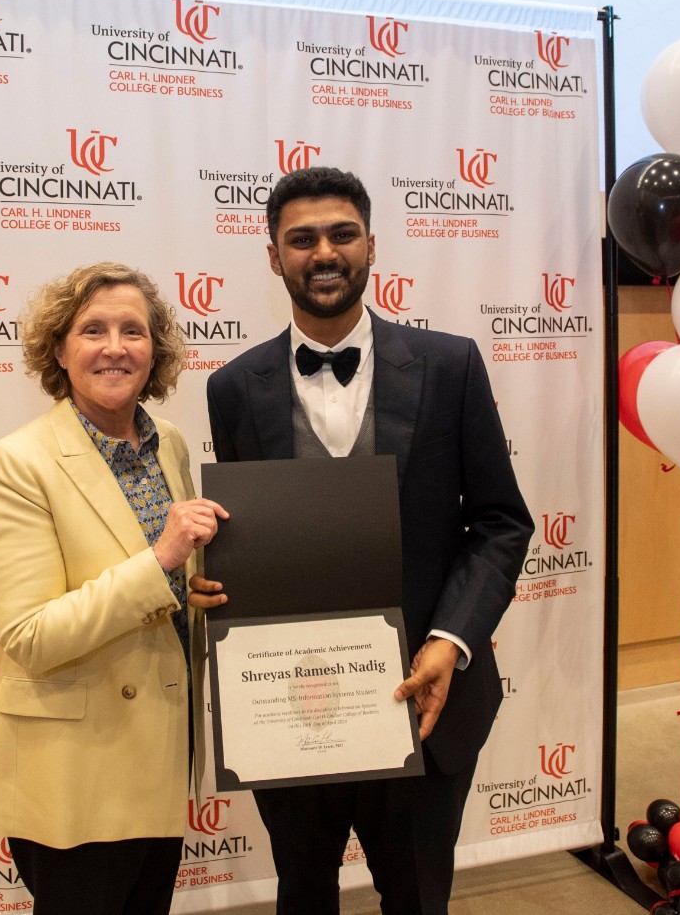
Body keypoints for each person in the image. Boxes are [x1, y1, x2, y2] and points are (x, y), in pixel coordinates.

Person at [195, 167, 533, 915]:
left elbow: (502, 523)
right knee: (303, 895)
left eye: (342, 234)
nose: (324, 252)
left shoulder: (451, 365)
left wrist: (450, 640)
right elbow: (251, 539)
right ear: (274, 256)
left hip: (424, 698)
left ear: (372, 246)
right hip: (290, 704)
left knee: (417, 899)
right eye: (302, 239)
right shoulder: (232, 387)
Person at [0, 261, 228, 915]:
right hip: (76, 776)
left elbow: (159, 589)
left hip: (161, 760)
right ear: (59, 349)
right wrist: (162, 559)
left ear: (155, 350)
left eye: (133, 331)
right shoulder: (17, 462)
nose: (115, 347)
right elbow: (31, 636)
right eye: (93, 330)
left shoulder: (168, 443)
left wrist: (189, 591)